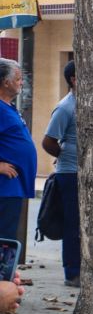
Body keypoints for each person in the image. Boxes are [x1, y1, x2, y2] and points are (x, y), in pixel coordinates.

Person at [42, 60, 81, 287]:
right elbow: (48, 141)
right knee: (72, 223)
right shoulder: (66, 107)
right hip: (69, 174)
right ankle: (72, 272)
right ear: (73, 80)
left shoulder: (86, 103)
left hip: (84, 174)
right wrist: (64, 155)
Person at [0, 58, 37, 242]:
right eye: (18, 79)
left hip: (14, 186)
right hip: (4, 187)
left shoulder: (9, 108)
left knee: (9, 238)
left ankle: (7, 270)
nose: (21, 82)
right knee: (4, 238)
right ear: (5, 82)